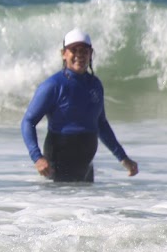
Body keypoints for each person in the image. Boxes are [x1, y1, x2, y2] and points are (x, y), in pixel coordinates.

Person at [21, 28, 139, 182]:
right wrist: (37, 157)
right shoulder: (53, 86)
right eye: (73, 50)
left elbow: (101, 124)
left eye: (84, 50)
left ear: (91, 54)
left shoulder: (95, 85)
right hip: (58, 164)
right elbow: (28, 122)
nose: (79, 55)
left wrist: (123, 159)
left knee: (86, 206)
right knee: (60, 206)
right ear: (64, 54)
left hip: (86, 167)